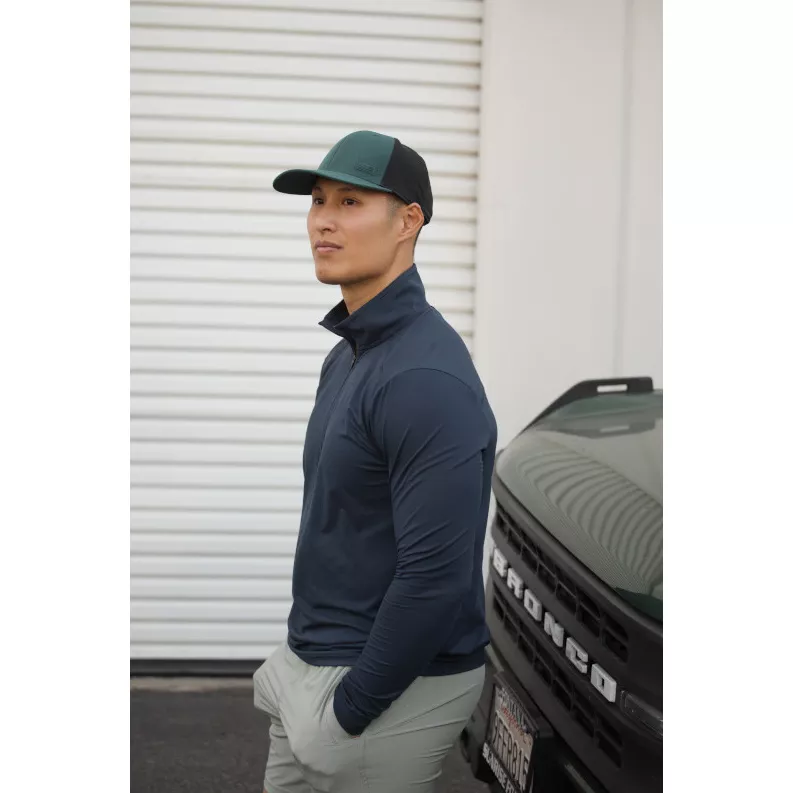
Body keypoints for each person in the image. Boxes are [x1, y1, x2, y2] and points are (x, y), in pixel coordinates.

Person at [253, 130, 498, 793]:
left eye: (350, 201)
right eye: (318, 200)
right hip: (313, 666)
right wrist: (293, 670)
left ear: (407, 221)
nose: (323, 221)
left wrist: (349, 711)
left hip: (381, 689)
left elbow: (435, 579)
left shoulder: (423, 378)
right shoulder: (351, 352)